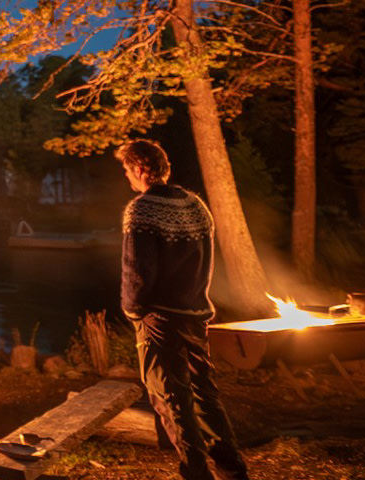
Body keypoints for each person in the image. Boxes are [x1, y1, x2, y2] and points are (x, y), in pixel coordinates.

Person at [116, 139, 250, 480]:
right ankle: (232, 470)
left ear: (142, 168)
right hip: (195, 314)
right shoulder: (196, 205)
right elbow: (206, 264)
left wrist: (133, 311)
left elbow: (137, 271)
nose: (128, 177)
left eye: (128, 170)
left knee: (171, 399)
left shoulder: (142, 210)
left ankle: (196, 473)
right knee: (204, 394)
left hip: (159, 320)